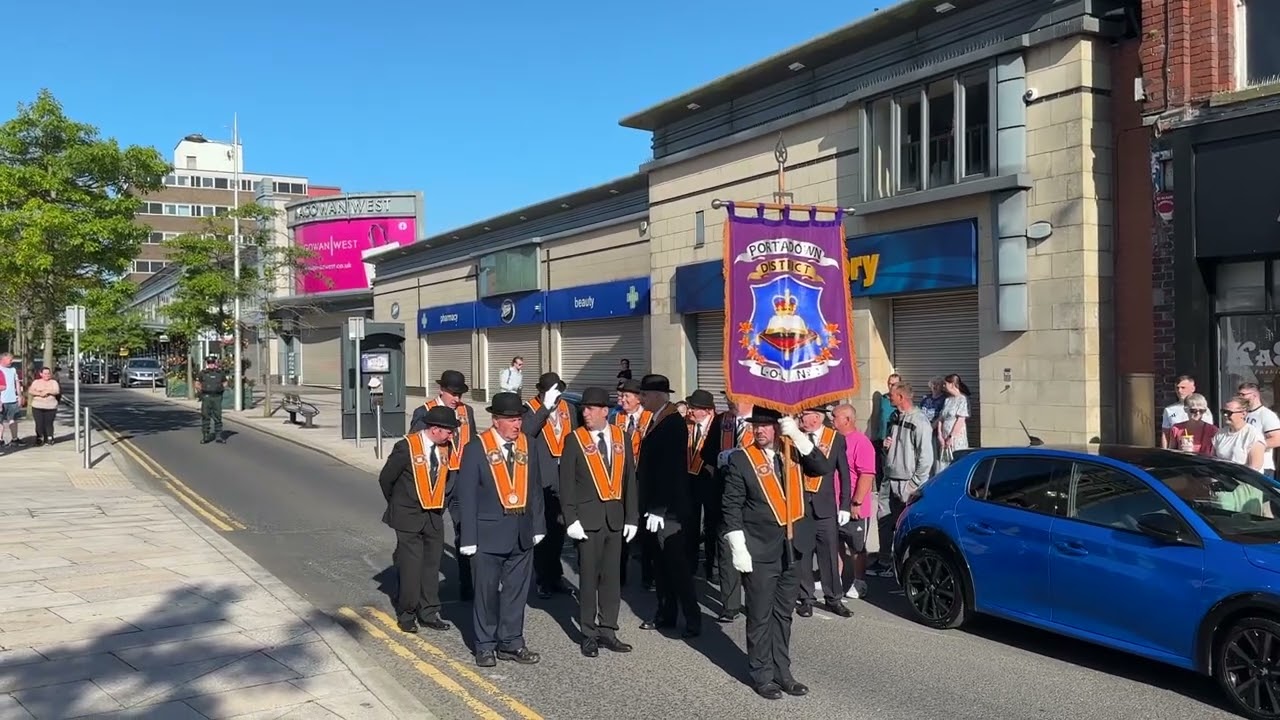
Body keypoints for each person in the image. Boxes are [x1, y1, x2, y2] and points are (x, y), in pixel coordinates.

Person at [721, 406, 827, 700]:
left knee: (783, 614)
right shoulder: (742, 460)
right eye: (756, 426)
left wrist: (798, 435)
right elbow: (731, 506)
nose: (760, 431)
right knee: (759, 615)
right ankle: (762, 674)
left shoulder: (793, 451)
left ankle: (783, 671)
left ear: (779, 428)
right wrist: (738, 546)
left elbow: (821, 467)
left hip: (793, 549)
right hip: (758, 548)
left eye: (767, 426)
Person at [457, 392, 546, 667]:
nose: (516, 425)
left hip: (521, 531)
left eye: (519, 419)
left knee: (516, 592)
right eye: (510, 420)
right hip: (487, 535)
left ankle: (511, 642)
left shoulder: (528, 445)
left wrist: (539, 525)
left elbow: (535, 488)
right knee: (485, 593)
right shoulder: (476, 448)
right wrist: (468, 536)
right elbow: (467, 495)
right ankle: (485, 645)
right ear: (496, 421)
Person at [559, 387, 639, 657]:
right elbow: (566, 484)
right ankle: (588, 633)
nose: (586, 413)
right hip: (587, 520)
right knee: (589, 578)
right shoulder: (575, 440)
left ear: (606, 411)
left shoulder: (621, 437)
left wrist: (632, 516)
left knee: (611, 579)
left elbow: (630, 479)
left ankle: (608, 630)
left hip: (615, 519)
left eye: (591, 409)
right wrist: (571, 518)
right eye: (583, 409)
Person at [379, 405, 460, 634]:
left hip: (433, 515)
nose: (451, 435)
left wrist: (441, 502)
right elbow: (386, 479)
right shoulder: (406, 447)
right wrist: (399, 505)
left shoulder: (446, 447)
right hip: (408, 516)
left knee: (431, 566)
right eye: (448, 431)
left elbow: (449, 478)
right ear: (434, 429)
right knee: (411, 567)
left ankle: (429, 612)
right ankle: (407, 613)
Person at [636, 374, 700, 638]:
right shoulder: (658, 418)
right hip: (655, 505)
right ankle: (666, 613)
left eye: (644, 395)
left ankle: (692, 617)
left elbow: (671, 470)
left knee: (676, 565)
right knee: (660, 564)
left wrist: (659, 508)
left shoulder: (673, 422)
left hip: (669, 509)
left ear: (658, 396)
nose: (641, 399)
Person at [414, 370, 480, 599]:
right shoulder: (424, 411)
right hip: (437, 481)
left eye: (459, 393)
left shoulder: (466, 411)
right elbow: (416, 448)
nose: (457, 398)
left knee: (466, 532)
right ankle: (422, 590)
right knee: (429, 531)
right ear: (441, 390)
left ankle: (468, 587)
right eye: (453, 393)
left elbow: (473, 444)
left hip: (463, 479)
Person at [793, 405, 853, 618]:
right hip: (801, 506)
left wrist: (845, 504)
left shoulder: (834, 439)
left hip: (825, 505)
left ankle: (833, 598)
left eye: (804, 415)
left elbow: (844, 474)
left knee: (828, 553)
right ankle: (806, 598)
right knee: (803, 552)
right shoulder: (795, 438)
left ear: (816, 417)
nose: (801, 418)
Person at [522, 372, 575, 599]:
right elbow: (526, 434)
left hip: (564, 475)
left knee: (559, 530)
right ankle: (542, 578)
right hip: (541, 476)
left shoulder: (568, 408)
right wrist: (545, 408)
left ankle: (556, 576)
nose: (557, 396)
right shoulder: (530, 409)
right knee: (542, 530)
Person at [872, 382, 933, 578]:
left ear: (902, 398)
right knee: (883, 519)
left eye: (892, 395)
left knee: (905, 524)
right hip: (889, 479)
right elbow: (892, 446)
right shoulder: (895, 417)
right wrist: (886, 447)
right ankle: (884, 560)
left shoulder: (920, 422)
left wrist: (914, 484)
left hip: (906, 482)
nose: (888, 398)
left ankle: (904, 563)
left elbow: (926, 458)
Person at [707, 393, 752, 623]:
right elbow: (707, 453)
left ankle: (755, 601)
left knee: (754, 552)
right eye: (727, 398)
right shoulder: (722, 420)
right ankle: (730, 604)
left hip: (755, 499)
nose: (730, 402)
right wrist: (720, 458)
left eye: (734, 398)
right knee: (726, 550)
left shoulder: (765, 422)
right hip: (726, 495)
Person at [832, 404, 877, 600]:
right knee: (836, 543)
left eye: (835, 417)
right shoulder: (835, 440)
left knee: (856, 546)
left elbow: (866, 475)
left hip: (853, 506)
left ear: (847, 420)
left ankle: (859, 582)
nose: (831, 420)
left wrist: (856, 502)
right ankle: (837, 579)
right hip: (834, 503)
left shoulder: (861, 442)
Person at [613, 379, 652, 587]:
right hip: (621, 479)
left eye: (627, 396)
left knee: (645, 528)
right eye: (621, 395)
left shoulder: (650, 418)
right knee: (621, 526)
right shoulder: (616, 417)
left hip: (642, 478)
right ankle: (620, 575)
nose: (623, 399)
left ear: (639, 399)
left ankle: (648, 575)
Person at [684, 389, 718, 576]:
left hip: (710, 481)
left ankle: (712, 565)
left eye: (694, 408)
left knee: (711, 525)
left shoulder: (717, 425)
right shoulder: (687, 425)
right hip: (690, 481)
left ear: (706, 410)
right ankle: (691, 563)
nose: (690, 411)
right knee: (691, 523)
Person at [1161, 375, 1214, 448]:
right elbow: (1165, 434)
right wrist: (1165, 454)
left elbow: (1209, 432)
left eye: (1183, 388)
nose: (1179, 391)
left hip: (1201, 450)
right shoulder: (1169, 410)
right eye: (1177, 388)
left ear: (1193, 388)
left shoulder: (1203, 410)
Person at [194, 355, 227, 444]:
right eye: (209, 363)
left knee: (218, 417)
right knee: (205, 416)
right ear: (207, 363)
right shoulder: (202, 373)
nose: (211, 364)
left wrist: (220, 389)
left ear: (215, 363)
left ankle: (219, 436)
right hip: (206, 396)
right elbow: (197, 383)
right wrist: (201, 392)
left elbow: (225, 382)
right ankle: (205, 436)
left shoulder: (220, 373)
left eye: (212, 363)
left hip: (217, 397)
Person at [27, 367, 60, 446]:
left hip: (50, 406)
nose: (47, 375)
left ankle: (49, 437)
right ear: (41, 374)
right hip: (37, 406)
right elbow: (31, 390)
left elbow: (57, 391)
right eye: (45, 374)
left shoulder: (53, 382)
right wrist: (40, 393)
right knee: (39, 423)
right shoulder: (36, 382)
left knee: (49, 423)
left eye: (48, 373)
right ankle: (39, 437)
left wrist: (47, 391)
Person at [0, 353, 21, 447]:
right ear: (2, 359)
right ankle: (0, 439)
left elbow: (17, 382)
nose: (11, 361)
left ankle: (15, 438)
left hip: (12, 399)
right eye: (10, 359)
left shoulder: (13, 370)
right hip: (1, 399)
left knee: (13, 419)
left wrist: (19, 395)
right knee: (0, 421)